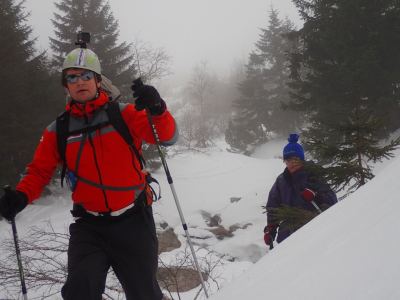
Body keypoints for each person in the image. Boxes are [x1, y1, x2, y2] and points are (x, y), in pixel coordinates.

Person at [0, 47, 179, 300]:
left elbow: (167, 137)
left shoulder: (123, 114)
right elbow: (39, 172)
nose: (79, 82)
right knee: (79, 291)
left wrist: (158, 109)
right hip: (90, 225)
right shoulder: (57, 130)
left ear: (98, 81)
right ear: (66, 86)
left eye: (86, 76)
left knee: (144, 294)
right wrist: (20, 196)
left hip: (133, 220)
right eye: (72, 78)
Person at [264, 134, 337, 248]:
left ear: (301, 159)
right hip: (287, 237)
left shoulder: (313, 174)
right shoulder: (281, 180)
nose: (289, 164)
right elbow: (273, 207)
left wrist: (316, 197)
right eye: (286, 160)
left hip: (313, 232)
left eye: (293, 159)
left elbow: (332, 201)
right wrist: (271, 228)